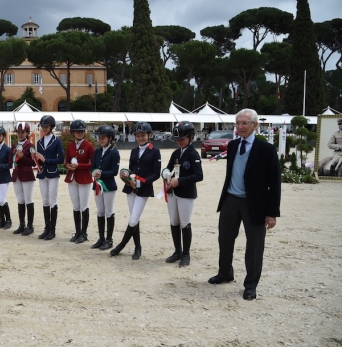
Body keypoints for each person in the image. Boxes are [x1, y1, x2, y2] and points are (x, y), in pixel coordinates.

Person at [209, 108, 281, 301]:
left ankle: (250, 284)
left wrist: (272, 212)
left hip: (255, 204)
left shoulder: (266, 150)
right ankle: (225, 272)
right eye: (238, 123)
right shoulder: (232, 146)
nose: (240, 127)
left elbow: (274, 183)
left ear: (255, 125)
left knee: (255, 246)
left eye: (244, 123)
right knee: (224, 239)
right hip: (231, 200)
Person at [111, 122, 161, 258]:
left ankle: (121, 245)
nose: (140, 138)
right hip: (130, 187)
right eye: (138, 136)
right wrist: (125, 176)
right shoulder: (134, 151)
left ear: (149, 135)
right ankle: (138, 247)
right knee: (135, 218)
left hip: (143, 188)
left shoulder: (155, 151)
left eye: (143, 135)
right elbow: (131, 169)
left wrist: (140, 182)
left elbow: (156, 173)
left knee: (133, 219)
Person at [161, 121, 203, 267]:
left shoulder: (193, 154)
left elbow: (199, 176)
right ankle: (177, 251)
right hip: (173, 192)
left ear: (191, 137)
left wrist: (180, 181)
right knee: (174, 222)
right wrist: (166, 174)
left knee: (184, 223)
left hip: (186, 193)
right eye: (177, 139)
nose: (179, 142)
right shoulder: (176, 153)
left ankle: (186, 254)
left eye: (182, 139)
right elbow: (168, 168)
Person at [65, 119, 95, 244]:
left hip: (84, 178)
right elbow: (66, 160)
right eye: (77, 131)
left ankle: (84, 233)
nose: (79, 133)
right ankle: (77, 232)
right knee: (76, 206)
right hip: (72, 177)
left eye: (81, 131)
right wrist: (68, 166)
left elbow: (93, 163)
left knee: (84, 206)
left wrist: (80, 166)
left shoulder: (88, 145)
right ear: (73, 132)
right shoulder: (70, 146)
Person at [90, 125, 120, 250]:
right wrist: (94, 172)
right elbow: (92, 166)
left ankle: (109, 239)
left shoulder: (114, 152)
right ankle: (101, 238)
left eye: (103, 138)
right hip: (97, 185)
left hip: (108, 186)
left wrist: (102, 174)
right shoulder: (97, 151)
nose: (101, 140)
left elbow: (114, 171)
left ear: (110, 138)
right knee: (100, 211)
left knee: (108, 211)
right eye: (99, 137)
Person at [36, 115, 64, 240]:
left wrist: (46, 160)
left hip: (52, 173)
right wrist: (36, 159)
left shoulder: (57, 141)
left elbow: (61, 159)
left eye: (46, 126)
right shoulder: (39, 142)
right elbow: (39, 159)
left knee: (52, 200)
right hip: (42, 173)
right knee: (45, 200)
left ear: (51, 127)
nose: (44, 128)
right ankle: (46, 228)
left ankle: (52, 230)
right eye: (43, 126)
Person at [9, 122, 36, 235]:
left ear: (27, 133)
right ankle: (21, 224)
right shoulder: (14, 146)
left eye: (22, 132)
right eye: (18, 132)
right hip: (16, 175)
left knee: (28, 200)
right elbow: (10, 161)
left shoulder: (30, 146)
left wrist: (23, 157)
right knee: (20, 200)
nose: (20, 134)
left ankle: (30, 226)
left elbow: (33, 163)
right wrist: (13, 157)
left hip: (27, 175)